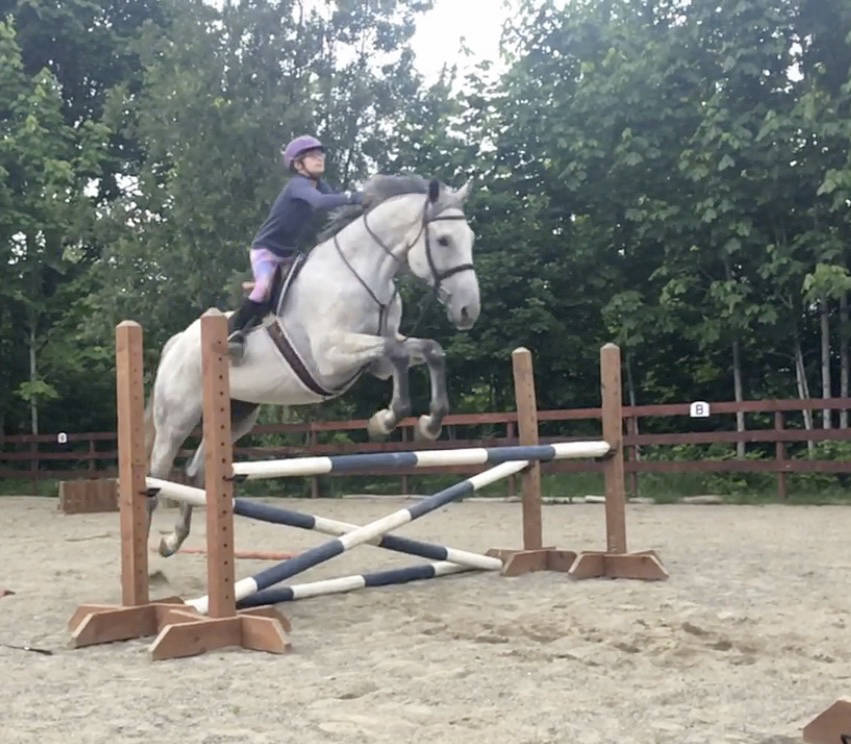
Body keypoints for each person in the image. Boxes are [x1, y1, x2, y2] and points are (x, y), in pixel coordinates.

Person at [227, 134, 363, 354]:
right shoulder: (297, 185)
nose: (320, 159)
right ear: (298, 164)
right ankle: (234, 332)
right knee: (262, 287)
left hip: (290, 254)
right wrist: (354, 196)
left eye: (320, 155)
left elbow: (337, 206)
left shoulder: (319, 184)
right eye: (312, 156)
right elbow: (320, 203)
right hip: (266, 252)